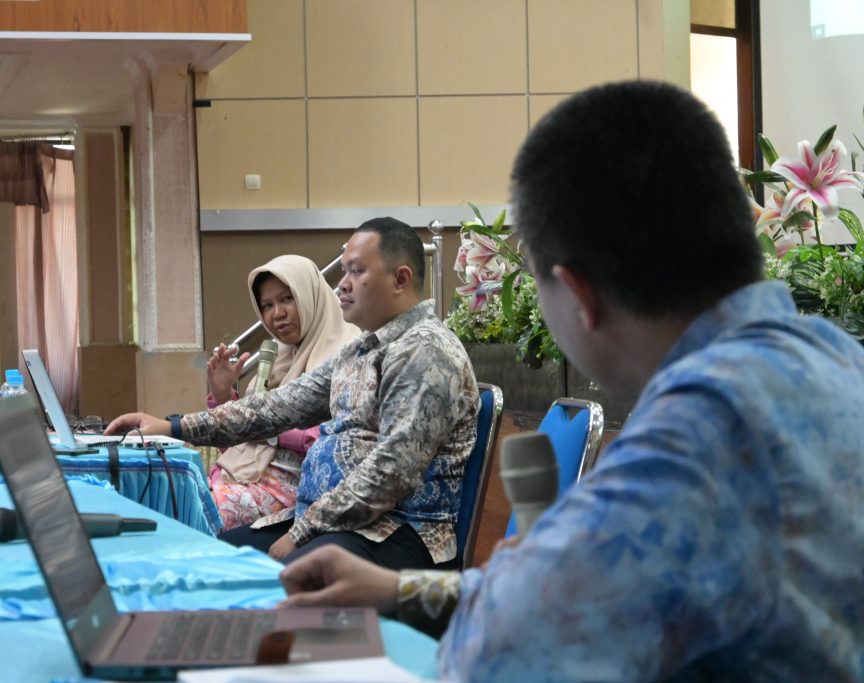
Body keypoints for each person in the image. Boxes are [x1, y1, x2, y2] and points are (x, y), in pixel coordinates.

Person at [278, 81, 864, 681]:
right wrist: (398, 589)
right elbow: (576, 585)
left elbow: (492, 660)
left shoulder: (693, 444)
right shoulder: (840, 360)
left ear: (579, 294)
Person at [106, 218, 479, 571]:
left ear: (400, 279)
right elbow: (276, 407)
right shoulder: (363, 350)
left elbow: (392, 474)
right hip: (340, 523)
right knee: (211, 552)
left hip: (398, 533)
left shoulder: (425, 352)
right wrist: (172, 427)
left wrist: (301, 532)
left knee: (278, 575)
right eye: (344, 271)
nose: (341, 285)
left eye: (356, 271)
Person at [204, 255, 360, 530]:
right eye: (267, 305)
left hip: (299, 496)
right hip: (242, 482)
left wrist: (270, 430)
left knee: (193, 511)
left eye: (287, 299)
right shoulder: (278, 360)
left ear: (310, 294)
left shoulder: (347, 353)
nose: (277, 314)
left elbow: (335, 443)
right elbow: (240, 447)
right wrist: (222, 395)